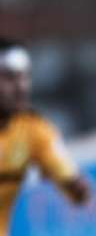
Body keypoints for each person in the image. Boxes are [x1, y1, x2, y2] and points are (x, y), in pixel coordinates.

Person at [0, 39, 91, 235]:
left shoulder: (34, 130)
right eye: (9, 78)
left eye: (25, 76)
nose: (20, 87)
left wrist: (74, 185)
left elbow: (71, 182)